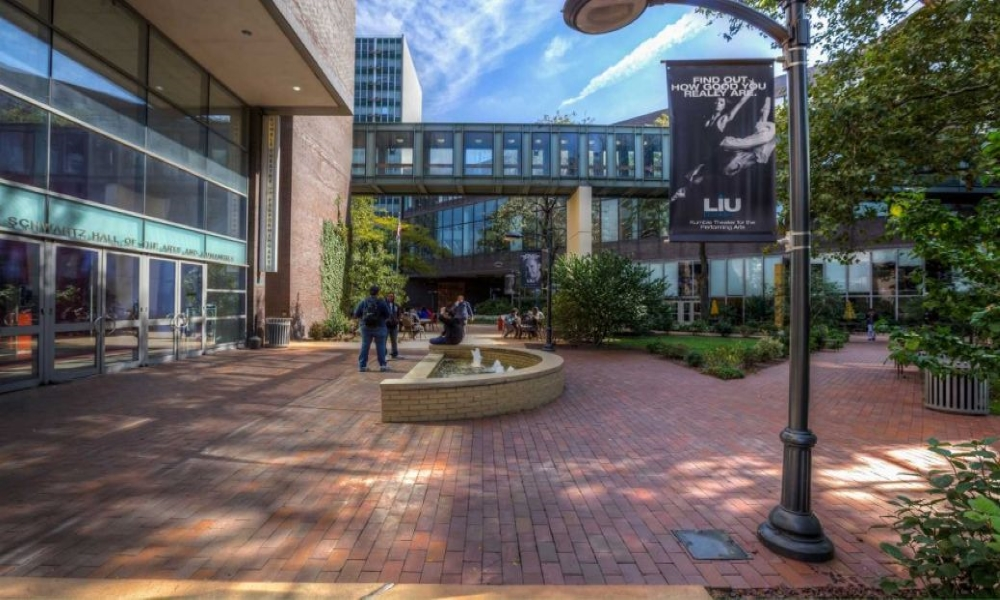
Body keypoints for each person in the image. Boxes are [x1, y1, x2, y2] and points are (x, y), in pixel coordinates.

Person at [352, 285, 391, 372]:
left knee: (365, 345)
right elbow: (388, 314)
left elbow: (356, 314)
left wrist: (363, 319)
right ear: (378, 292)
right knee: (381, 346)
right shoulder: (381, 302)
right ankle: (382, 365)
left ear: (369, 292)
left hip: (365, 327)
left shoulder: (364, 301)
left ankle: (362, 366)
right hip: (380, 326)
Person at [384, 292, 402, 359]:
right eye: (389, 296)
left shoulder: (396, 305)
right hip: (386, 325)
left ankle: (395, 354)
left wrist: (398, 320)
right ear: (387, 297)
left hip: (394, 326)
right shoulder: (384, 305)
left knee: (394, 340)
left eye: (392, 296)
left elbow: (399, 314)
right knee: (384, 341)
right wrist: (385, 320)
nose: (390, 297)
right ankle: (384, 354)